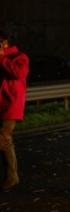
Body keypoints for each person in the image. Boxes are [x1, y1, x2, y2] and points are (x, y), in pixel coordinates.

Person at [0, 31, 29, 191]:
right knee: (6, 141)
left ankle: (12, 177)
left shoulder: (19, 57)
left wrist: (2, 58)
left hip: (11, 105)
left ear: (5, 43)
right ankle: (12, 177)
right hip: (1, 104)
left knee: (3, 137)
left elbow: (19, 73)